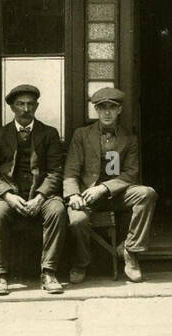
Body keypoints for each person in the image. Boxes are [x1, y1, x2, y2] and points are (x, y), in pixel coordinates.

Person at [63, 88, 156, 283]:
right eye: (102, 108)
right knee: (77, 221)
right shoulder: (82, 135)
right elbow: (71, 171)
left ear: (119, 110)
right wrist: (73, 195)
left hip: (116, 194)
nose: (107, 113)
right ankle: (81, 263)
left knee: (147, 193)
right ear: (95, 110)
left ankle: (130, 252)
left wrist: (104, 188)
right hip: (86, 195)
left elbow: (131, 174)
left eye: (112, 108)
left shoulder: (128, 138)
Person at [0, 84, 67, 297]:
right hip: (9, 194)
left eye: (30, 104)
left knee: (57, 211)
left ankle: (49, 272)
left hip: (40, 193)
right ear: (12, 107)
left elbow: (55, 171)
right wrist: (8, 196)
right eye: (20, 104)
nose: (25, 108)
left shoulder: (49, 133)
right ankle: (0, 275)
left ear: (37, 106)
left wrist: (40, 196)